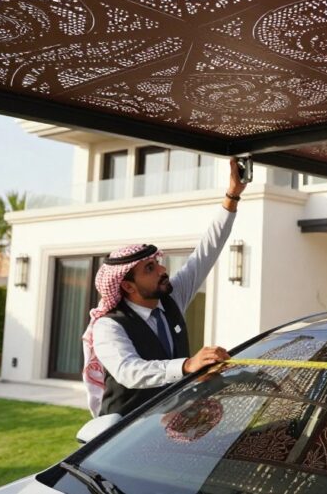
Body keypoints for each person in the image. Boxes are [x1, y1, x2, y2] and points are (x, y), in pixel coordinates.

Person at [81, 157, 246, 417]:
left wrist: (232, 196)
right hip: (119, 434)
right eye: (150, 268)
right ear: (127, 285)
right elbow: (129, 371)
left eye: (157, 263)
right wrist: (187, 365)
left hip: (167, 425)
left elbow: (206, 252)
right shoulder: (109, 326)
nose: (162, 270)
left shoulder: (171, 300)